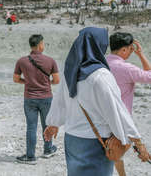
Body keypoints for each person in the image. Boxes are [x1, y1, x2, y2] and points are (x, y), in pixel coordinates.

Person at [44, 27, 150, 176]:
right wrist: (137, 141)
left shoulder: (70, 71)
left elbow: (60, 100)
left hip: (72, 139)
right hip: (95, 142)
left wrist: (53, 123)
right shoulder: (100, 75)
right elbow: (116, 110)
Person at [106, 32, 151, 176]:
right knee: (116, 150)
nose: (131, 52)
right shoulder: (127, 68)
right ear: (124, 50)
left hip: (101, 116)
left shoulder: (101, 63)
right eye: (130, 49)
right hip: (122, 119)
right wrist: (141, 55)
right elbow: (150, 76)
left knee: (111, 150)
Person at [13, 34, 60, 164]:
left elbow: (16, 79)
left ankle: (30, 156)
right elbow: (56, 80)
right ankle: (48, 149)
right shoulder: (50, 61)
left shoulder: (22, 61)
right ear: (40, 45)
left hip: (30, 98)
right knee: (47, 125)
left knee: (31, 127)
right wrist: (44, 84)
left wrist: (28, 82)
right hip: (46, 97)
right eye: (43, 44)